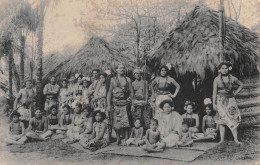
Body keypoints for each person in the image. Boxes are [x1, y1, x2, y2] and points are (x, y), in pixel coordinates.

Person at [213, 62, 243, 145]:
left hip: (230, 101)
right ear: (219, 69)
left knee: (233, 118)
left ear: (228, 69)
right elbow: (214, 92)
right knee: (221, 120)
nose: (224, 70)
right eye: (222, 68)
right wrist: (214, 104)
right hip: (220, 101)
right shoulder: (217, 79)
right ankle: (222, 140)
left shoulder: (233, 78)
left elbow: (241, 85)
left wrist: (235, 93)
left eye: (226, 68)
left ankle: (236, 139)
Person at [107, 64, 134, 145]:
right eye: (120, 68)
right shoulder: (112, 80)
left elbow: (131, 92)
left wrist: (132, 104)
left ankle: (126, 139)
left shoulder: (128, 79)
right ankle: (118, 139)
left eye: (123, 68)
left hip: (125, 103)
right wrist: (108, 105)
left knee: (126, 122)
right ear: (116, 70)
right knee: (116, 122)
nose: (122, 69)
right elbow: (109, 92)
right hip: (115, 104)